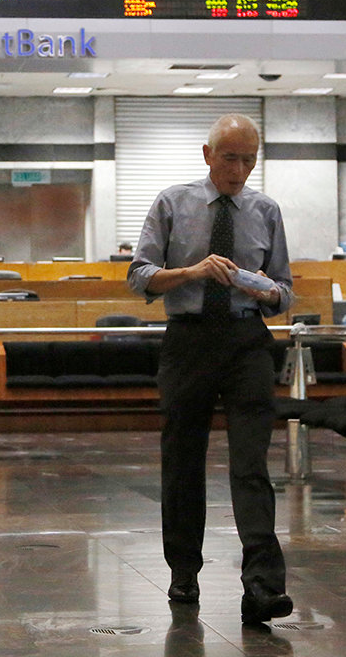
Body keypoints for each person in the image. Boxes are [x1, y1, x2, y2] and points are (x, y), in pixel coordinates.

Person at [126, 113, 294, 623]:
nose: (238, 169)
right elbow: (139, 277)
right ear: (207, 155)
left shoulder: (266, 211)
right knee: (182, 460)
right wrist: (192, 271)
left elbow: (285, 292)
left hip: (247, 342)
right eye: (229, 158)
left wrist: (265, 291)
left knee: (251, 464)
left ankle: (262, 586)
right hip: (189, 340)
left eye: (248, 159)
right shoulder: (172, 203)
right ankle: (183, 572)